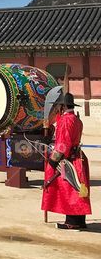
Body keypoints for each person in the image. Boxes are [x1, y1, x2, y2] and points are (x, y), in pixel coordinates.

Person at [42, 92, 92, 230]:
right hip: (78, 158)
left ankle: (72, 222)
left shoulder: (65, 120)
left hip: (69, 160)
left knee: (69, 190)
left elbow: (63, 144)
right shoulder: (77, 119)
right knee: (78, 189)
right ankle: (80, 220)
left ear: (62, 106)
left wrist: (53, 160)